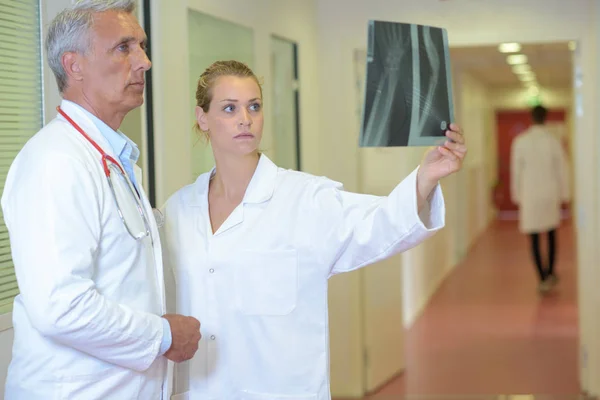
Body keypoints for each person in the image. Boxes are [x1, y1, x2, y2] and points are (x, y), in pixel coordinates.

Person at [161, 60, 467, 400]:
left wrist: (425, 177)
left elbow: (378, 224)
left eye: (254, 106)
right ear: (202, 117)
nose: (245, 119)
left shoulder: (305, 199)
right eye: (229, 108)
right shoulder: (177, 211)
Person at [1, 1, 201, 399]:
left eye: (142, 46)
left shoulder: (109, 158)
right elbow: (61, 306)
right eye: (124, 48)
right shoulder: (55, 161)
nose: (144, 62)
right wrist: (163, 335)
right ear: (73, 66)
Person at [510, 105, 570, 294]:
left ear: (532, 118)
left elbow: (516, 171)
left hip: (530, 194)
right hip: (549, 193)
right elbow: (562, 169)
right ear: (545, 118)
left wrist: (517, 194)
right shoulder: (553, 141)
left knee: (534, 237)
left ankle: (542, 277)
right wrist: (565, 193)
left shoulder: (521, 141)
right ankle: (550, 272)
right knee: (551, 233)